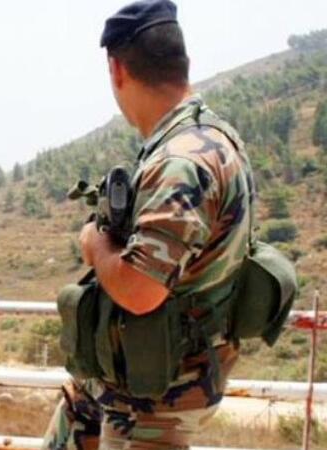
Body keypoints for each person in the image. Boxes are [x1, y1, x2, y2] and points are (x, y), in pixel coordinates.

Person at [43, 1, 255, 448]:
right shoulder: (209, 139)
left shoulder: (181, 162)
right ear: (182, 62)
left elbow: (141, 290)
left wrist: (96, 243)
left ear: (117, 69)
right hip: (132, 386)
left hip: (153, 403)